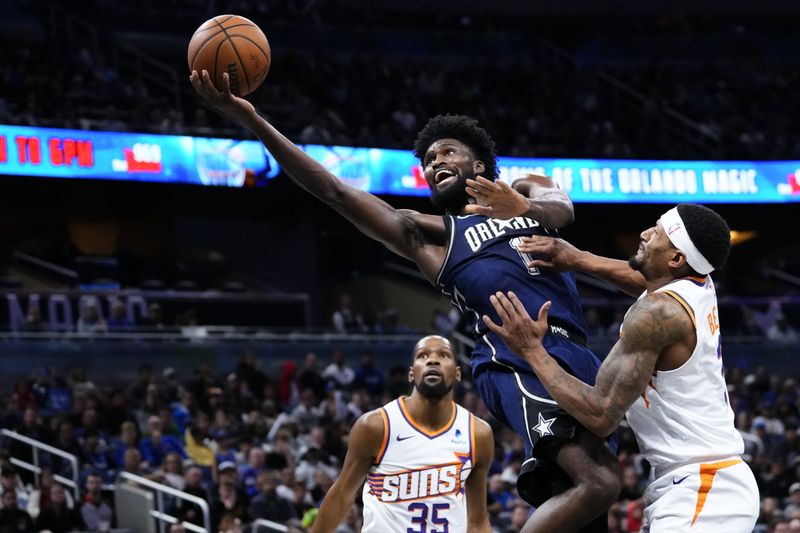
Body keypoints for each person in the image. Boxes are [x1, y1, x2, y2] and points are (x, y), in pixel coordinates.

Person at [191, 70, 620, 531]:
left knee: (588, 512)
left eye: (447, 151)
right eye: (429, 159)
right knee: (598, 482)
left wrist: (525, 209)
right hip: (516, 358)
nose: (435, 161)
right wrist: (251, 120)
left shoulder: (523, 189)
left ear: (479, 165)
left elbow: (564, 208)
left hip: (576, 352)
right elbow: (333, 191)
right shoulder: (429, 236)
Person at [483, 203, 760, 531]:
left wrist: (532, 350)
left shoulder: (657, 314)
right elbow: (643, 280)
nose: (644, 233)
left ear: (676, 259)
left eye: (656, 233)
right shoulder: (696, 281)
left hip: (703, 487)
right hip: (695, 482)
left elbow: (600, 415)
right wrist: (578, 258)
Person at [307, 335, 492, 532]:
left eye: (444, 355)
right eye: (422, 356)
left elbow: (477, 521)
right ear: (411, 374)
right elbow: (341, 497)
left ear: (457, 373)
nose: (432, 360)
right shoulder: (376, 426)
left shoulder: (477, 433)